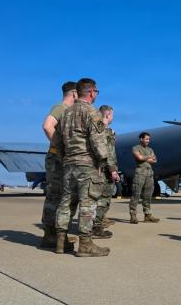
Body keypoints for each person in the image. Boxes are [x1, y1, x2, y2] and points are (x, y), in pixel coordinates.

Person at [54, 78, 119, 257]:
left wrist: (66, 159)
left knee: (66, 203)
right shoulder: (92, 112)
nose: (96, 95)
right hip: (87, 166)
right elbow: (98, 143)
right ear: (91, 92)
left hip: (69, 166)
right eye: (96, 92)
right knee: (87, 204)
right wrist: (103, 163)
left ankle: (60, 242)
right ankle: (85, 245)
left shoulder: (65, 113)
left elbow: (57, 143)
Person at [40, 81, 77, 250]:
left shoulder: (67, 111)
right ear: (74, 93)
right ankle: (50, 236)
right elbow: (47, 126)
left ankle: (55, 235)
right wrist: (61, 148)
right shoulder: (61, 108)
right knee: (55, 196)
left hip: (59, 159)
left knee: (61, 195)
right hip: (56, 159)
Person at [92, 105, 118, 238]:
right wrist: (113, 170)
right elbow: (109, 153)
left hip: (97, 169)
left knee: (96, 199)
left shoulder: (95, 128)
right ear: (107, 115)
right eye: (112, 115)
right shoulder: (105, 131)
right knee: (103, 200)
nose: (112, 117)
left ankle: (96, 223)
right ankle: (97, 227)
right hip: (105, 170)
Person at [129, 132, 160, 224]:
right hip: (140, 174)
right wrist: (148, 157)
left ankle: (148, 215)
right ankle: (133, 215)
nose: (148, 141)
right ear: (141, 139)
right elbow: (139, 158)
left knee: (148, 195)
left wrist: (145, 158)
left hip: (149, 174)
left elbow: (154, 160)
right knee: (136, 194)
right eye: (146, 139)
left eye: (149, 139)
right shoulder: (136, 148)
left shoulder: (150, 149)